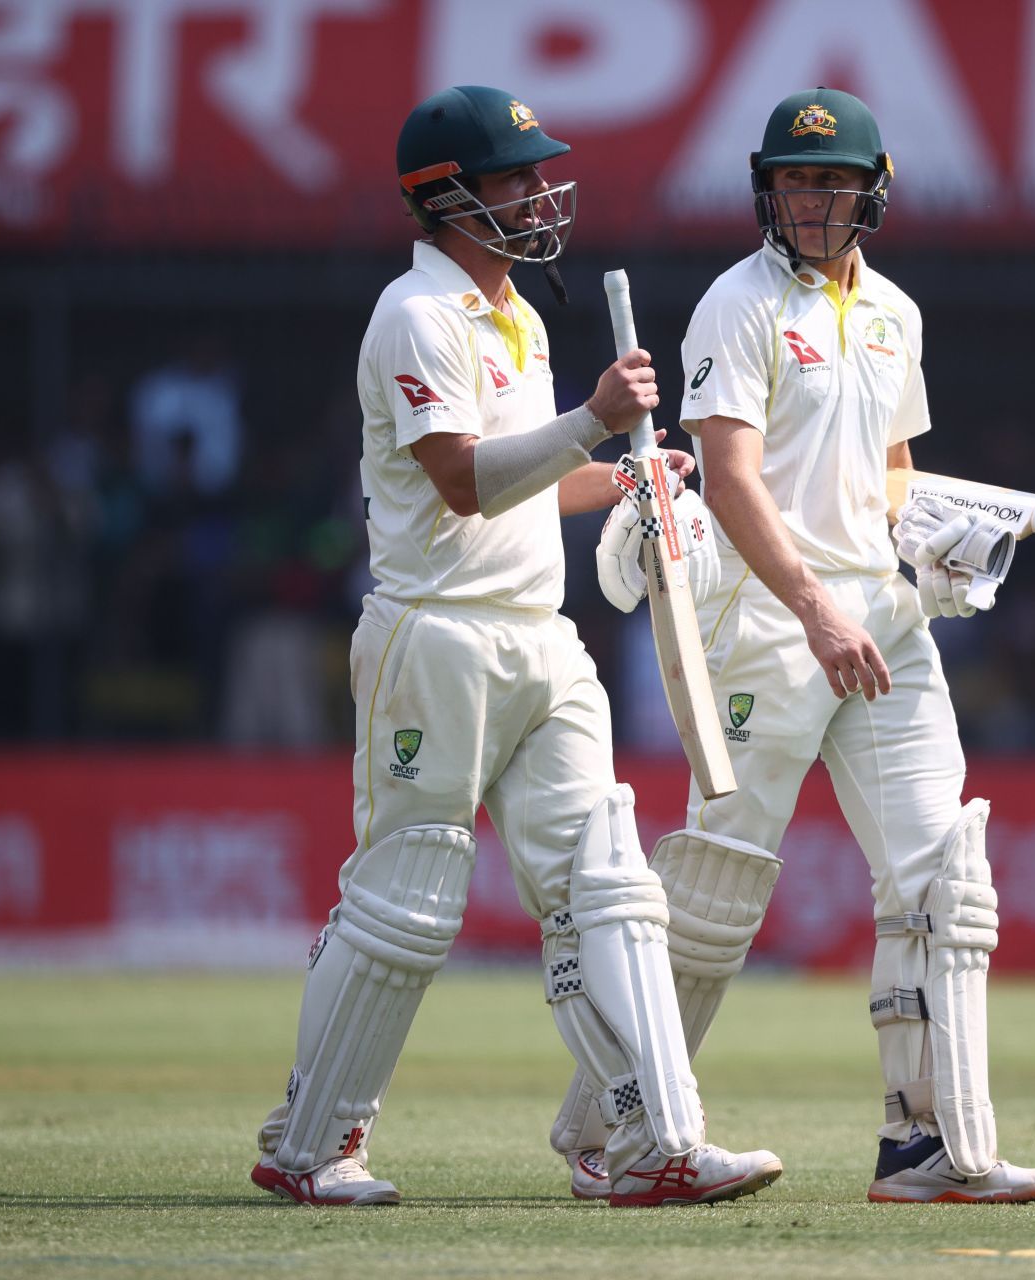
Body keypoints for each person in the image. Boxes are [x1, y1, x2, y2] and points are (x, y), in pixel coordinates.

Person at [249, 85, 781, 1208]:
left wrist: (635, 472)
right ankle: (309, 1145)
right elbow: (459, 479)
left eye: (540, 175)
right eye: (515, 178)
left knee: (610, 888)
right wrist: (594, 417)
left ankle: (653, 1144)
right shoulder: (415, 313)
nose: (541, 195)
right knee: (407, 904)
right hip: (434, 637)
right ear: (445, 197)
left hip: (540, 635)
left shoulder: (520, 315)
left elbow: (529, 488)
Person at [559, 87, 1035, 1205]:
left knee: (940, 881)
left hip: (887, 621)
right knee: (717, 888)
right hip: (769, 623)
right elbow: (728, 475)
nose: (811, 199)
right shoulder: (735, 305)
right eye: (793, 180)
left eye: (832, 183)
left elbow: (892, 474)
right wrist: (812, 605)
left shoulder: (896, 312)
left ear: (873, 193)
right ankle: (616, 1130)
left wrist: (942, 544)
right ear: (765, 191)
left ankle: (925, 1144)